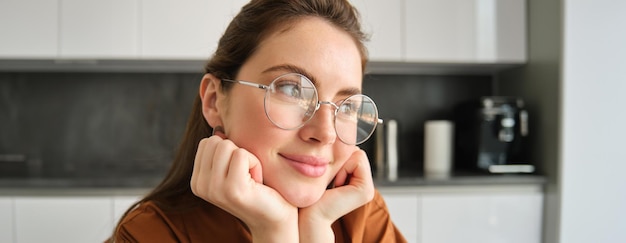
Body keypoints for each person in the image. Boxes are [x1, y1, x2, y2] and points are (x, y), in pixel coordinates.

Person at [110, 0, 406, 242]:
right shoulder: (147, 235)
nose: (325, 133)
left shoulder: (360, 217)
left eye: (346, 105)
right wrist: (274, 231)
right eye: (292, 90)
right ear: (214, 101)